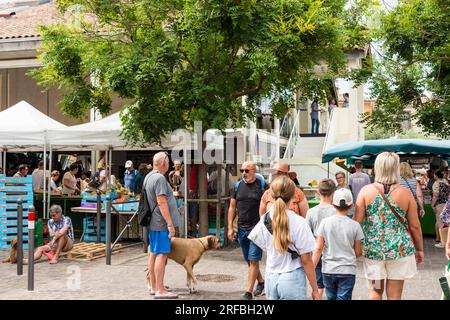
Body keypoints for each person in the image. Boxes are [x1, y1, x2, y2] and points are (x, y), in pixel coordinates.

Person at [354, 152, 424, 300]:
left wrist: (355, 247)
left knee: (375, 292)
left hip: (374, 251)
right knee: (394, 295)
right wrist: (419, 249)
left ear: (377, 168)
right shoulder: (405, 194)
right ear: (395, 169)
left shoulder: (366, 192)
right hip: (399, 251)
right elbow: (415, 226)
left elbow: (356, 224)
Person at [248, 176, 320, 300]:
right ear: (293, 195)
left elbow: (262, 245)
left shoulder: (264, 219)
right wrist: (315, 289)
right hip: (293, 278)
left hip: (271, 277)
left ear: (271, 194)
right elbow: (306, 260)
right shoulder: (300, 222)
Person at [312, 188, 364, 300]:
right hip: (347, 270)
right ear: (351, 206)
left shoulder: (325, 223)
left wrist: (311, 267)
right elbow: (358, 252)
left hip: (328, 269)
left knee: (330, 297)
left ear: (333, 204)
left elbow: (318, 248)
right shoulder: (355, 226)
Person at [227, 161, 266, 300]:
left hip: (257, 229)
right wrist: (231, 227)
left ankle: (248, 292)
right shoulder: (237, 186)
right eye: (242, 170)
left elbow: (269, 204)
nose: (244, 173)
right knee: (249, 261)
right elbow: (232, 207)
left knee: (254, 260)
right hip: (242, 228)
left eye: (247, 170)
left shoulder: (262, 185)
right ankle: (261, 282)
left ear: (254, 170)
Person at [146, 152, 180, 299]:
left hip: (154, 222)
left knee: (153, 252)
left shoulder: (149, 176)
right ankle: (160, 290)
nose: (170, 164)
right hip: (161, 223)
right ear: (164, 163)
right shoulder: (159, 178)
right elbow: (161, 201)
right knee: (161, 254)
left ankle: (154, 286)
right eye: (169, 161)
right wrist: (170, 224)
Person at [305, 179, 337, 299]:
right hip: (333, 253)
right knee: (333, 288)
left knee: (318, 286)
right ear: (334, 192)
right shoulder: (336, 211)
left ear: (318, 192)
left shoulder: (311, 212)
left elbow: (306, 234)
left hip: (315, 253)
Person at [431, 169, 449, 248]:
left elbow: (436, 195)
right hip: (447, 203)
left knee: (440, 222)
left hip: (440, 204)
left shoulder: (436, 183)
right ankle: (441, 239)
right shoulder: (445, 181)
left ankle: (443, 242)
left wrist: (432, 205)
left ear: (436, 175)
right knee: (445, 222)